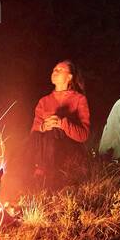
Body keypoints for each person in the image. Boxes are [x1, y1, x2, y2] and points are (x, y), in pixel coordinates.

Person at [28, 59, 91, 187]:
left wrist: (62, 123)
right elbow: (34, 132)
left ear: (69, 77)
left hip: (68, 150)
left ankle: (47, 178)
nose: (54, 72)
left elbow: (84, 135)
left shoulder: (79, 99)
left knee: (54, 132)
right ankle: (38, 176)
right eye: (53, 70)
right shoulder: (43, 101)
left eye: (59, 70)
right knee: (36, 137)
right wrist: (43, 126)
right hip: (45, 149)